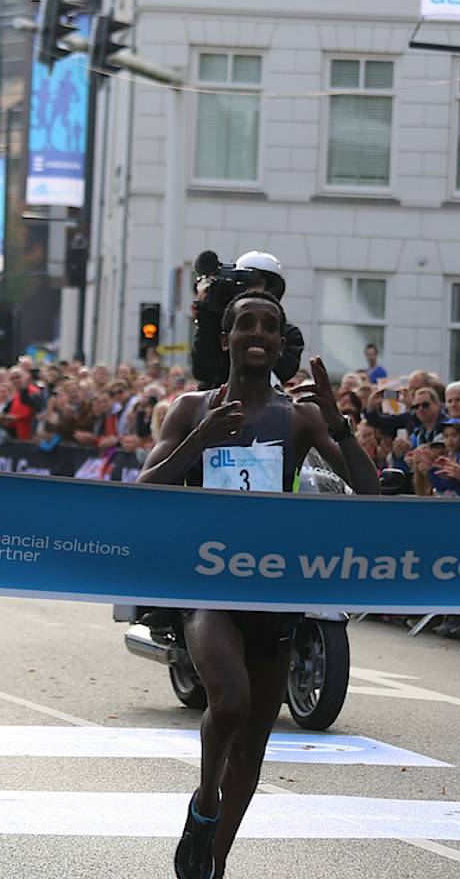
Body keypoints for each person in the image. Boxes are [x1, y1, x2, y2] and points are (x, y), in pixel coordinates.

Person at [140, 290, 377, 879]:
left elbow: (370, 492)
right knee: (230, 701)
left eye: (269, 326)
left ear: (278, 342)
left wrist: (339, 421)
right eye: (245, 323)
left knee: (254, 744)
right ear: (225, 339)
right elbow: (143, 491)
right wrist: (201, 440)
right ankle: (205, 801)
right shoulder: (191, 409)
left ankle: (214, 862)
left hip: (275, 590)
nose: (257, 333)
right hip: (209, 585)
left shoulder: (299, 416)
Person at [191, 251, 304, 389]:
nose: (249, 291)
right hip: (217, 401)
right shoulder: (219, 326)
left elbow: (283, 370)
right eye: (242, 284)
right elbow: (203, 371)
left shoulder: (288, 332)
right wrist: (206, 318)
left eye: (255, 283)